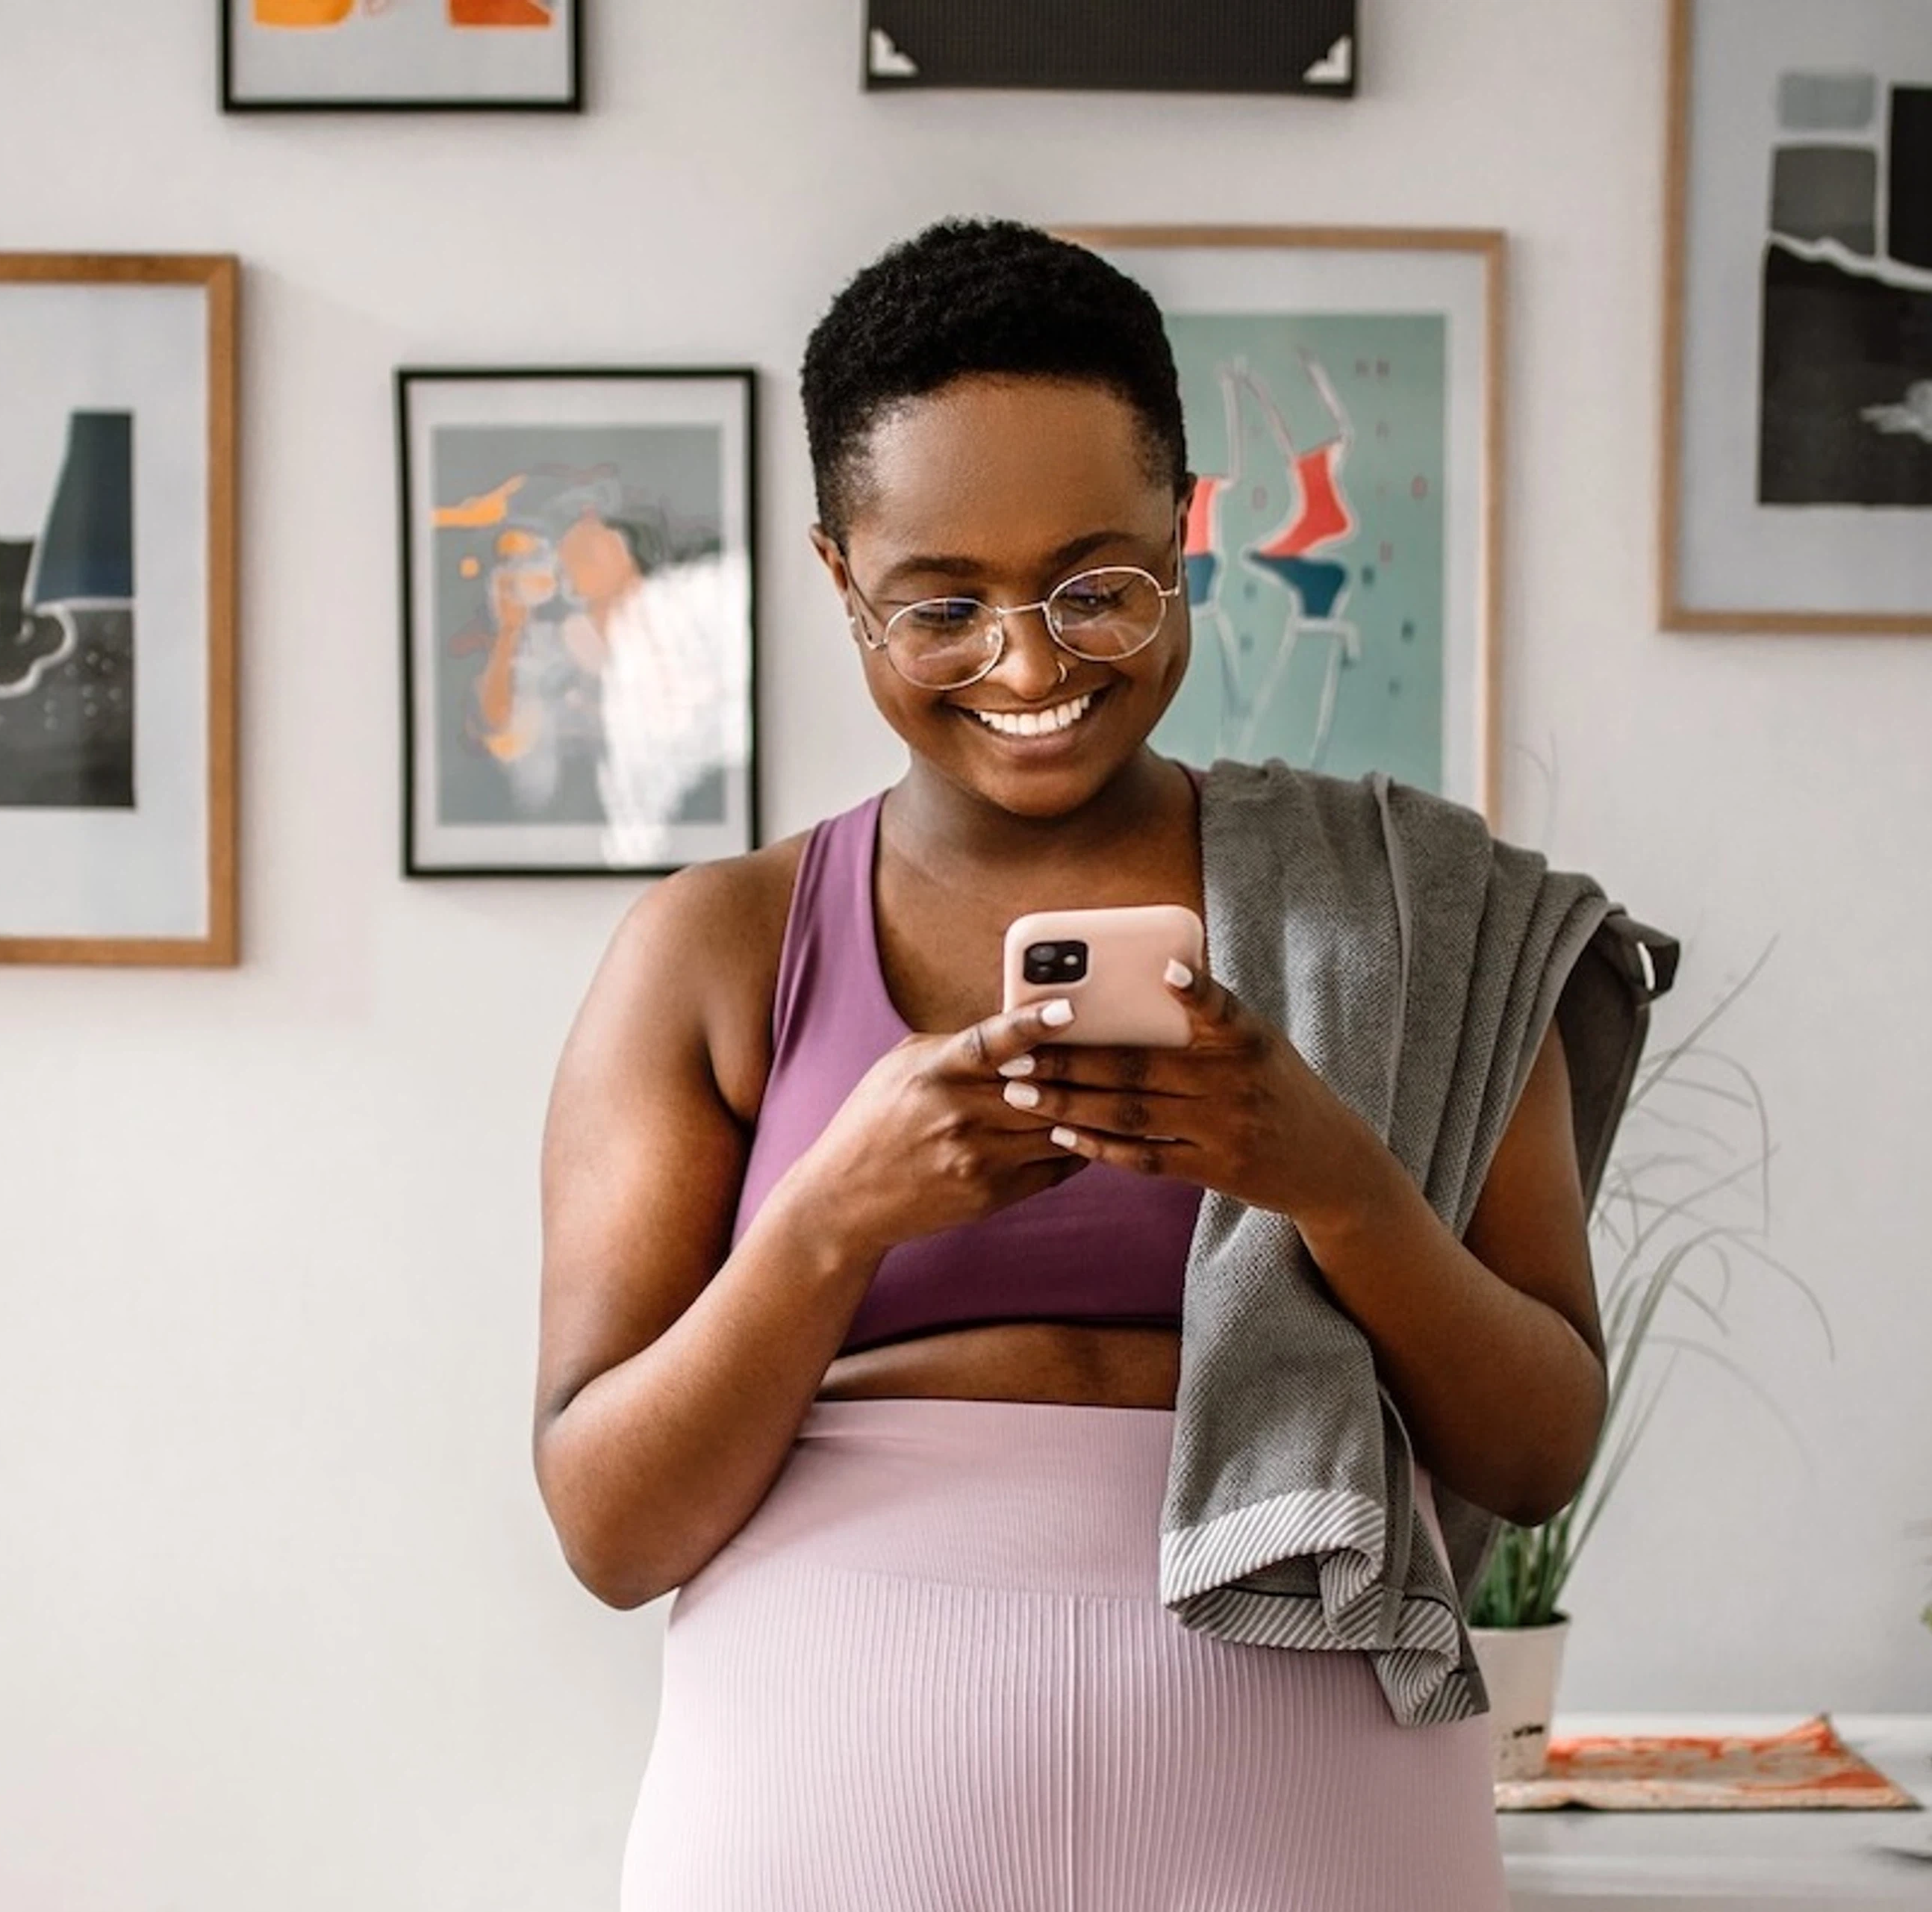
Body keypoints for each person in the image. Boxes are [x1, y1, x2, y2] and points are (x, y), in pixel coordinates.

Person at [532, 217, 1635, 1910]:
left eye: (1093, 584)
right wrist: (835, 1218)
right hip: (825, 1820)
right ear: (842, 578)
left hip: (1316, 1820)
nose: (1033, 664)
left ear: (1185, 529)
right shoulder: (718, 949)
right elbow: (611, 1525)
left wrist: (1328, 1174)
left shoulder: (1415, 913)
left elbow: (1537, 1443)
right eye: (943, 605)